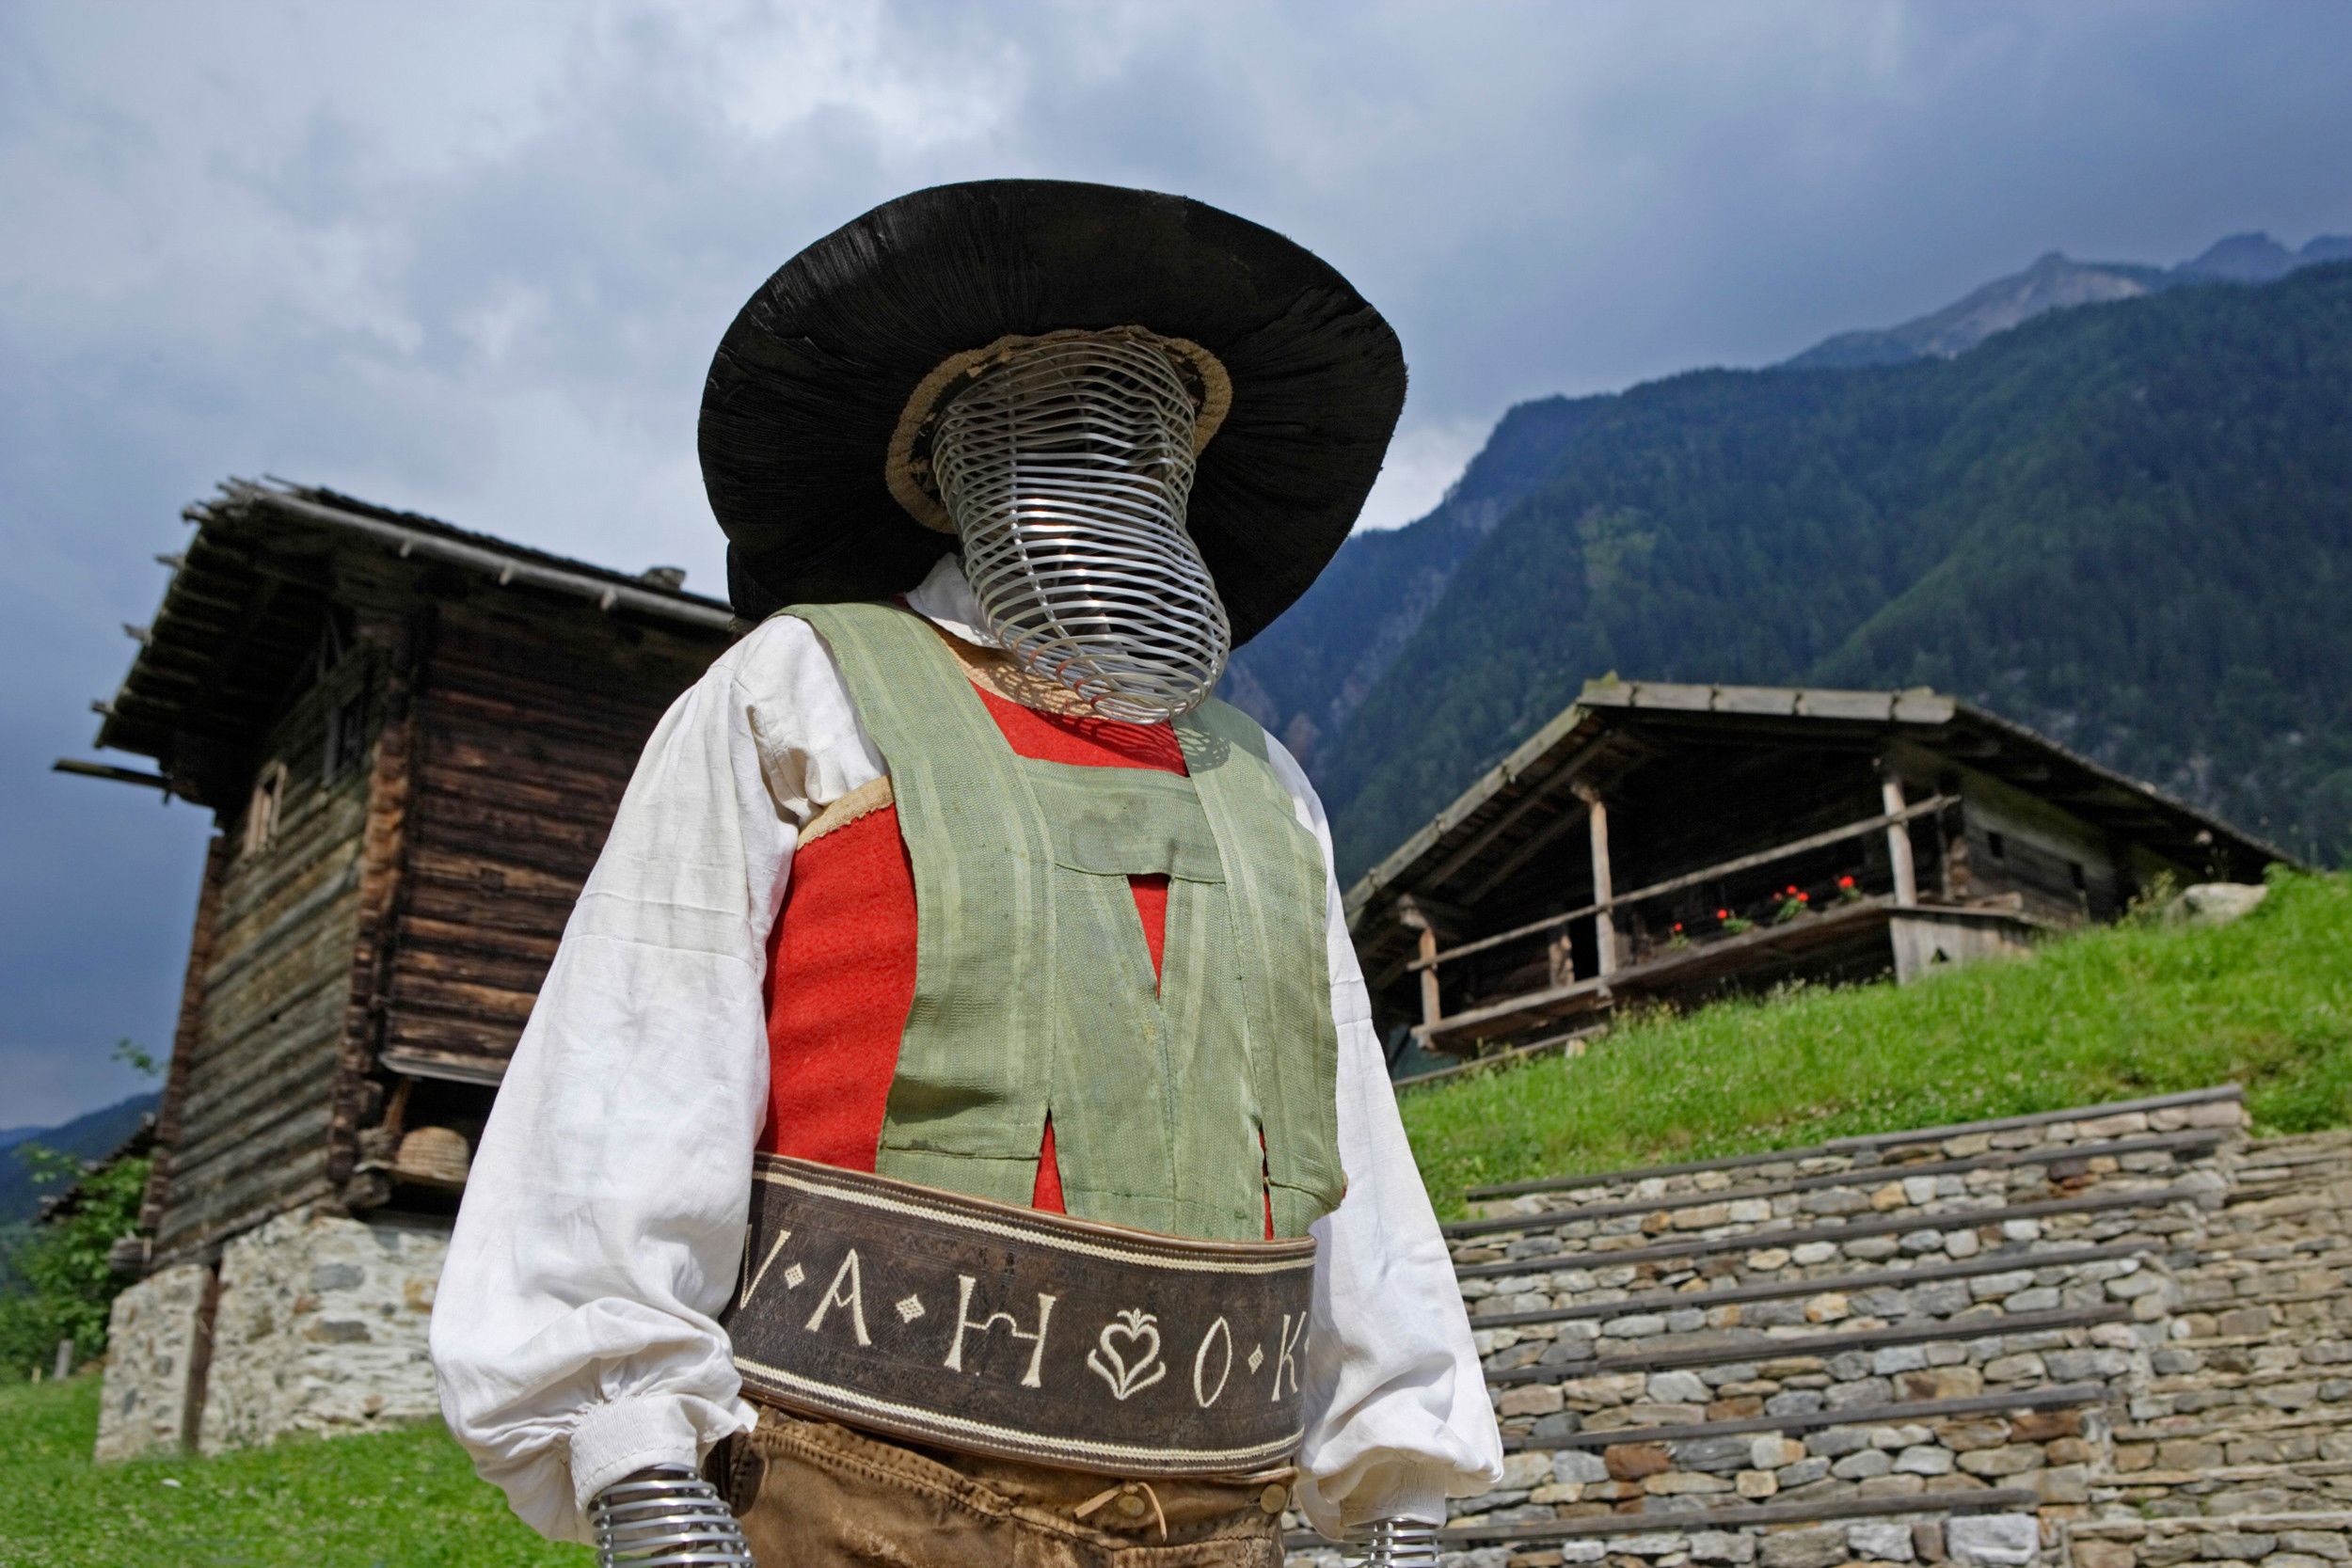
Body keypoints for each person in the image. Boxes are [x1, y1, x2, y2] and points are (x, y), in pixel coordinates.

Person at [430, 179, 1502, 1568]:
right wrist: (635, 1452)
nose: (1107, 464)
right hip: (857, 1497)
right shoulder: (804, 691)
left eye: (1143, 430)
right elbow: (641, 1047)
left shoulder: (1260, 785)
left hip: (1218, 1518)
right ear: (957, 462)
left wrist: (1392, 1472)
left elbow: (1347, 1122)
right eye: (1057, 424)